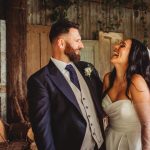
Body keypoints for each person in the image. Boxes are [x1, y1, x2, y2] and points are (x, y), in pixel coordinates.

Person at [27, 19, 106, 150]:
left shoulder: (88, 69)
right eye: (77, 40)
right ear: (61, 43)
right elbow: (43, 131)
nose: (82, 45)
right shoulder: (40, 80)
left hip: (101, 145)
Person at [102, 38, 150, 150]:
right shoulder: (108, 79)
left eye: (122, 45)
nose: (115, 47)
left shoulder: (136, 81)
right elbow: (104, 116)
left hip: (132, 143)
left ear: (133, 55)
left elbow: (147, 124)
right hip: (111, 139)